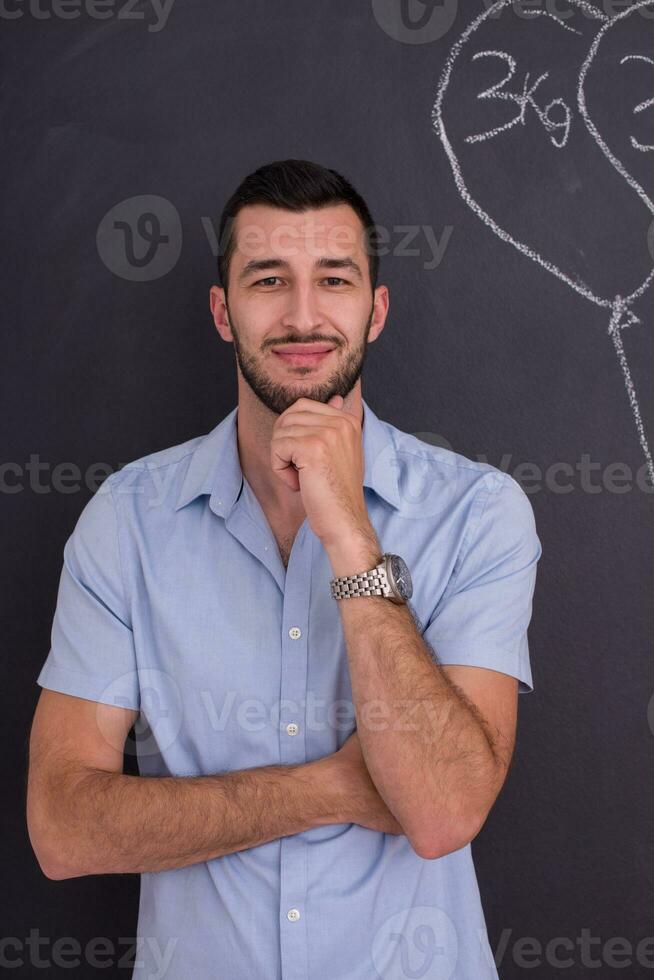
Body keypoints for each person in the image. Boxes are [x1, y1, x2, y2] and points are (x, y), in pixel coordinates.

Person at [27, 158, 542, 979]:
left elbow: (444, 812)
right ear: (223, 312)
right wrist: (333, 788)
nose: (304, 316)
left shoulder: (480, 513)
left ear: (375, 311)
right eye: (268, 279)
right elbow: (63, 829)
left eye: (333, 279)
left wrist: (349, 535)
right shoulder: (127, 521)